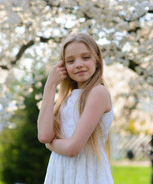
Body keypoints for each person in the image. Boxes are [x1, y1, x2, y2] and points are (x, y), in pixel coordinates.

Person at [37, 33, 114, 184]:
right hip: (59, 173)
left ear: (97, 61)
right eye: (70, 61)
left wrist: (50, 144)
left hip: (85, 175)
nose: (78, 64)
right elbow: (44, 135)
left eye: (85, 57)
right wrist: (50, 86)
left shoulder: (98, 92)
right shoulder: (65, 100)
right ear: (63, 66)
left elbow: (73, 148)